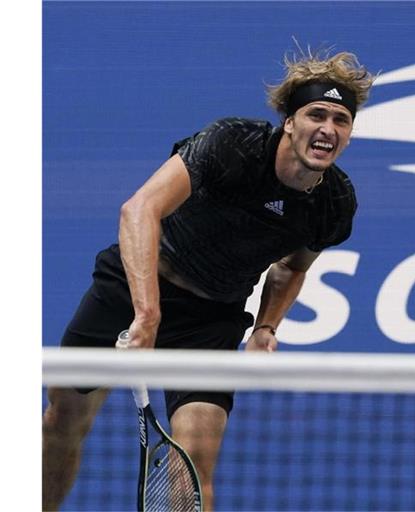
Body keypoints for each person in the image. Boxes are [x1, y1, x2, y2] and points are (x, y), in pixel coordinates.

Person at [42, 49, 375, 511]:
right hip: (134, 288)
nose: (327, 128)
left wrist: (265, 327)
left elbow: (292, 268)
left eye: (341, 119)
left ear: (349, 134)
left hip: (211, 319)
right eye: (316, 113)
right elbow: (140, 210)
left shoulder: (334, 204)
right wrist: (146, 312)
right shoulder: (230, 146)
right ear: (289, 122)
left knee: (193, 468)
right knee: (62, 424)